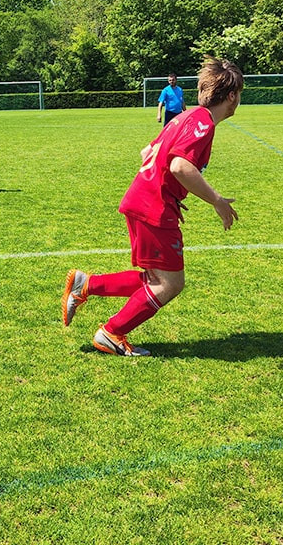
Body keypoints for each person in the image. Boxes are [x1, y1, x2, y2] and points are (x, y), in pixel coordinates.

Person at [62, 57, 243, 356]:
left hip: (144, 200)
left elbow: (148, 152)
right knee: (169, 284)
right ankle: (111, 332)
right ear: (233, 95)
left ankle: (86, 285)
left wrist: (171, 193)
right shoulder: (202, 124)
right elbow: (180, 166)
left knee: (155, 279)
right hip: (152, 207)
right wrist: (217, 201)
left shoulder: (185, 117)